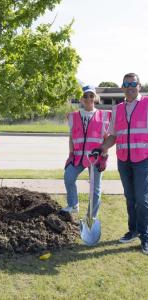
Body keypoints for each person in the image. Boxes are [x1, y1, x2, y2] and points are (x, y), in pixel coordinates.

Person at [93, 73, 148, 254]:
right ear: (122, 87)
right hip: (124, 160)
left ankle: (145, 236)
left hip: (143, 160)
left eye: (133, 83)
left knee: (142, 199)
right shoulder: (117, 109)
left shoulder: (147, 104)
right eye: (126, 84)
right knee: (130, 198)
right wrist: (101, 148)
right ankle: (133, 230)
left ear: (139, 86)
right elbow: (114, 136)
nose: (130, 86)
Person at [62, 85, 111, 217]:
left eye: (91, 96)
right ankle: (73, 205)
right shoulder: (73, 116)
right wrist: (71, 154)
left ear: (95, 98)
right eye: (85, 96)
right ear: (81, 99)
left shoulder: (104, 116)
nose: (88, 98)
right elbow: (72, 137)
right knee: (68, 177)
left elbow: (107, 138)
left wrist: (104, 157)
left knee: (95, 189)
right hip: (77, 157)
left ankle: (91, 216)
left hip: (96, 158)